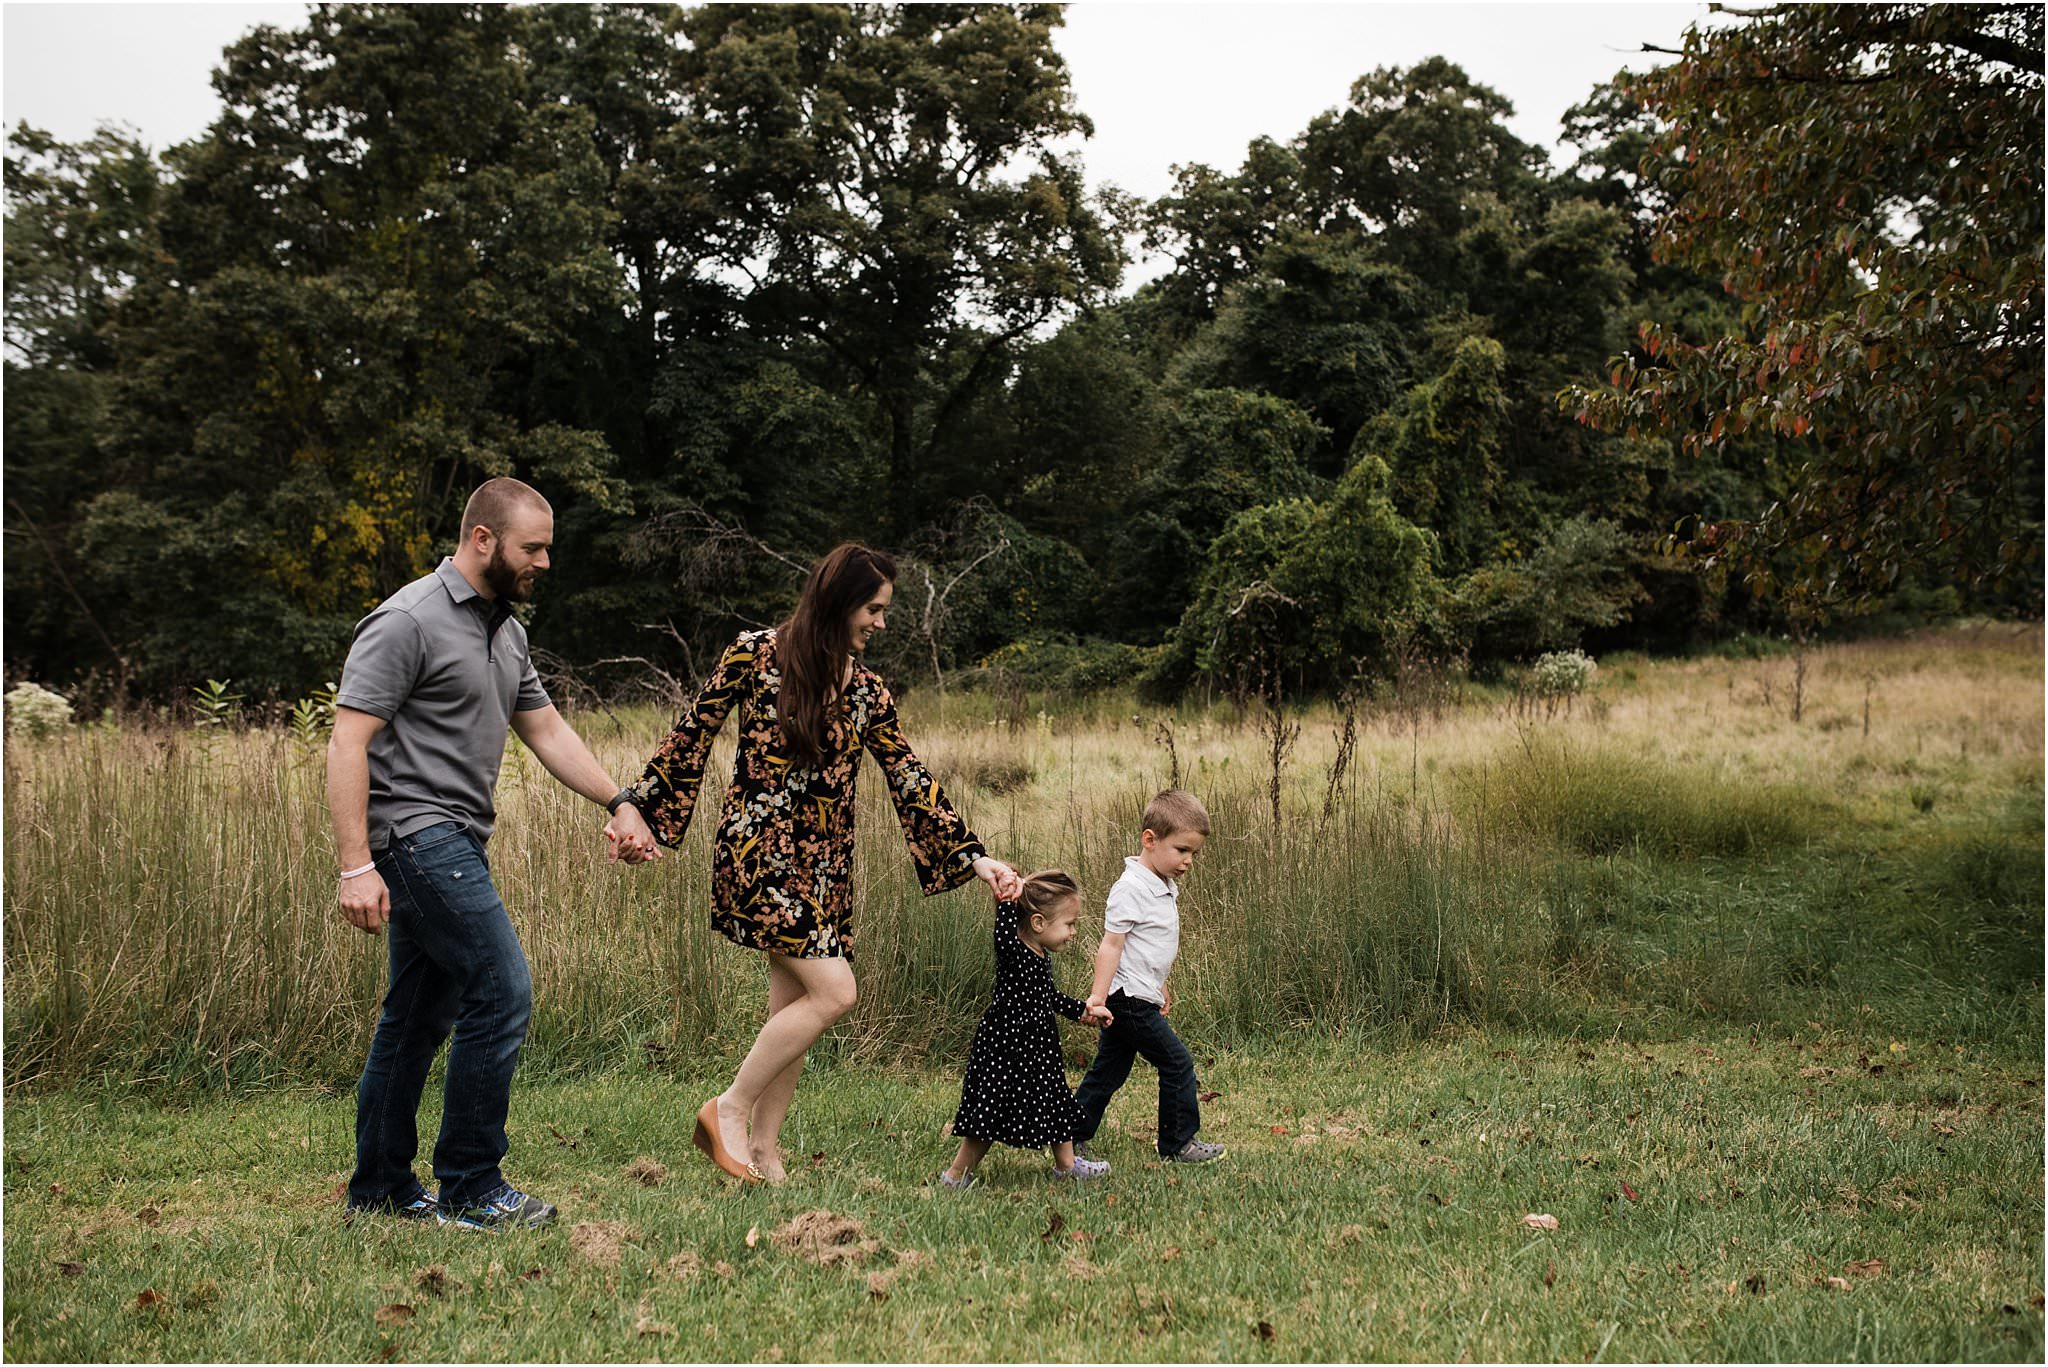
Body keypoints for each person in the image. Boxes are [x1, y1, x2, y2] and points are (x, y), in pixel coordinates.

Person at [624, 544, 1021, 1184]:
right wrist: (640, 811)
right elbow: (691, 734)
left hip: (826, 867)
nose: (881, 624)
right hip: (758, 855)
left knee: (794, 1005)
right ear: (838, 602)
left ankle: (765, 1151)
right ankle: (726, 1110)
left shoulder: (866, 691)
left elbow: (908, 775)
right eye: (874, 608)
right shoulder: (754, 654)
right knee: (835, 992)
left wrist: (974, 858)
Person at [330, 477, 660, 1231]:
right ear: (483, 540)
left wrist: (619, 801)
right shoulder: (406, 620)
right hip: (415, 836)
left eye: (548, 548)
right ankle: (472, 1187)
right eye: (532, 547)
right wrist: (355, 864)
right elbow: (349, 739)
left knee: (416, 1016)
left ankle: (379, 1188)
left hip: (457, 839)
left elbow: (545, 729)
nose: (545, 561)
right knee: (501, 988)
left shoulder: (504, 629)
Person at [1071, 789, 1226, 1165]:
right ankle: (1177, 1143)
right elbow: (1111, 946)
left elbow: (1148, 947)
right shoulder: (1131, 888)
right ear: (1150, 840)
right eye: (1182, 850)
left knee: (1109, 1071)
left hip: (1141, 992)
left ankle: (1069, 1134)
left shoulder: (1162, 884)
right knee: (1177, 1063)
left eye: (1194, 854)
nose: (1188, 861)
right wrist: (1098, 998)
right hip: (1126, 1000)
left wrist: (1159, 982)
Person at [938, 871, 1115, 1189]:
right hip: (1006, 1049)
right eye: (1069, 923)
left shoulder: (1040, 956)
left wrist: (1084, 1012)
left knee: (1057, 1100)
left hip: (1038, 1048)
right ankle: (955, 1175)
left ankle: (1067, 1165)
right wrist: (1006, 899)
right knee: (990, 1113)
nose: (1073, 932)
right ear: (1038, 923)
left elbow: (1049, 997)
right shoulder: (1014, 951)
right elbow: (1003, 933)